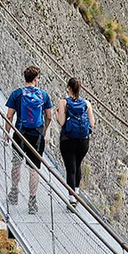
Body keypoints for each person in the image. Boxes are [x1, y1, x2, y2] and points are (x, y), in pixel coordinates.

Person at [5, 65, 52, 214]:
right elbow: (49, 116)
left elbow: (9, 116)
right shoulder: (44, 95)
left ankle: (14, 193)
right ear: (36, 79)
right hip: (36, 136)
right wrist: (43, 131)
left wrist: (7, 133)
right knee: (34, 169)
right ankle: (32, 201)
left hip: (19, 133)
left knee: (16, 163)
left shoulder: (17, 94)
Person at [56, 77, 94, 211]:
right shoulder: (87, 103)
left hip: (68, 140)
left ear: (69, 88)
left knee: (70, 169)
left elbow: (61, 122)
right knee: (78, 165)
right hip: (84, 141)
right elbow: (92, 123)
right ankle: (76, 194)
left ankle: (72, 200)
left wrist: (57, 114)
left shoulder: (63, 102)